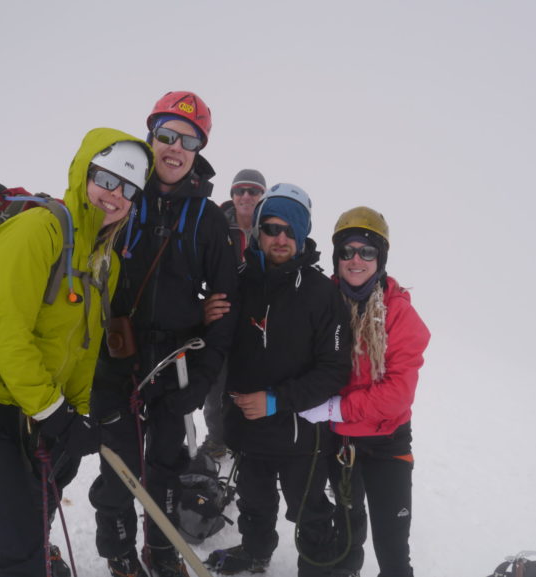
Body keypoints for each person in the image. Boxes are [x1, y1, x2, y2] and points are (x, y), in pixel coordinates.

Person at [0, 128, 153, 577]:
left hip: (21, 411)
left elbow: (85, 350)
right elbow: (7, 332)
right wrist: (53, 413)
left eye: (128, 189)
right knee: (19, 552)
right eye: (106, 179)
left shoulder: (106, 260)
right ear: (84, 173)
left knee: (33, 529)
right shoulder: (37, 229)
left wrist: (77, 414)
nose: (115, 195)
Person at [89, 91, 239, 577]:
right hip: (115, 356)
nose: (175, 147)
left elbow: (227, 308)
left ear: (199, 150)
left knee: (168, 465)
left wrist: (201, 380)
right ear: (151, 137)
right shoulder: (123, 194)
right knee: (118, 460)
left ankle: (161, 546)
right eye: (166, 135)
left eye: (189, 139)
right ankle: (117, 550)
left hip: (174, 363)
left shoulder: (209, 219)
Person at [204, 183, 352, 577]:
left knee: (309, 510)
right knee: (254, 501)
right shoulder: (238, 281)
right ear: (259, 232)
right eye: (271, 228)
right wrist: (203, 316)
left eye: (290, 229)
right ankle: (255, 551)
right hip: (247, 427)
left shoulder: (322, 293)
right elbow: (217, 342)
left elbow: (334, 370)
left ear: (302, 234)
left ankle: (319, 567)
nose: (280, 238)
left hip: (298, 431)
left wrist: (275, 400)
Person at [299, 206, 431, 577]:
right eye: (347, 251)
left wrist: (335, 408)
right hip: (337, 444)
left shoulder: (399, 314)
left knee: (392, 549)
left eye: (366, 251)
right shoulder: (320, 300)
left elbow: (397, 394)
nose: (356, 259)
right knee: (345, 532)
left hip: (386, 442)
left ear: (380, 258)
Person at [200, 168, 266, 459]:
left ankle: (248, 441)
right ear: (232, 195)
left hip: (258, 320)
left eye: (253, 190)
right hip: (223, 317)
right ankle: (217, 439)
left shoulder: (273, 228)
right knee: (215, 387)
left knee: (251, 385)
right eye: (240, 190)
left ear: (263, 195)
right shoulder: (216, 226)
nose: (246, 196)